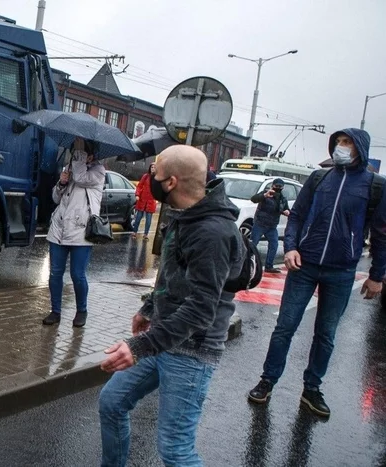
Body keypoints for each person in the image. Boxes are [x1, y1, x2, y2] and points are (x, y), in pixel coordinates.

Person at [98, 145, 244, 466]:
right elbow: (173, 276)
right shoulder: (186, 215)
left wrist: (139, 346)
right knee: (111, 402)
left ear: (172, 182)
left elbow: (202, 308)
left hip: (192, 351)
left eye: (155, 172)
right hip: (164, 339)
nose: (150, 176)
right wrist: (149, 308)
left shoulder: (213, 232)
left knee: (176, 449)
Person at [248, 128, 386, 418]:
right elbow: (297, 216)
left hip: (341, 271)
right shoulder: (319, 178)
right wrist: (291, 247)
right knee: (285, 327)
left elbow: (382, 232)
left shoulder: (375, 186)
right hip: (304, 266)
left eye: (347, 142)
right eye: (338, 142)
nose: (340, 147)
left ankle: (312, 389)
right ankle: (267, 381)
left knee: (325, 334)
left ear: (359, 147)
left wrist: (377, 275)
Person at [42, 137, 106, 328]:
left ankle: (82, 310)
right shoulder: (71, 171)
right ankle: (55, 311)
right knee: (55, 274)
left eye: (80, 153)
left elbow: (80, 178)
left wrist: (78, 154)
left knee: (77, 275)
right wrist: (61, 183)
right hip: (59, 230)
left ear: (91, 156)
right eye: (75, 153)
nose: (76, 157)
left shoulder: (97, 172)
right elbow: (55, 198)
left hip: (81, 232)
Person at [249, 178, 290, 274]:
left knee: (274, 245)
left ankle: (269, 266)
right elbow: (254, 199)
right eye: (276, 186)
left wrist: (286, 212)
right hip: (260, 223)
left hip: (272, 226)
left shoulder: (282, 199)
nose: (278, 188)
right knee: (252, 244)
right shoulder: (266, 194)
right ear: (272, 185)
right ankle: (246, 262)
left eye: (280, 187)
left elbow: (285, 209)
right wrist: (265, 195)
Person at [131, 162, 157, 239]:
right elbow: (139, 186)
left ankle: (146, 234)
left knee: (148, 219)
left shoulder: (157, 178)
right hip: (142, 200)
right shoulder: (145, 176)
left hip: (151, 201)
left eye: (154, 167)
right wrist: (137, 195)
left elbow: (159, 189)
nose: (153, 169)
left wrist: (157, 198)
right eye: (152, 167)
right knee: (138, 217)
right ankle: (134, 232)